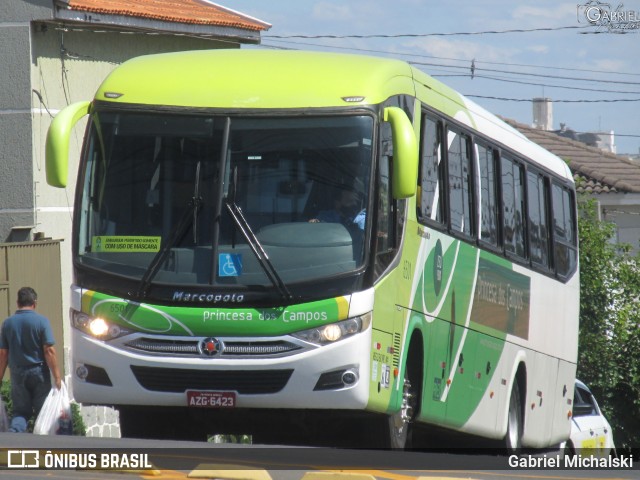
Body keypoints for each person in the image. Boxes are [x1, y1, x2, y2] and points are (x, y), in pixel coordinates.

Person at [0, 287, 62, 433]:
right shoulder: (42, 322)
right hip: (39, 371)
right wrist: (57, 376)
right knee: (43, 412)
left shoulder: (8, 323)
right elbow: (49, 350)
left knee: (20, 411)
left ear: (17, 303)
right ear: (35, 303)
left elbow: (3, 353)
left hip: (17, 372)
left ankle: (15, 435)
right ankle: (42, 443)